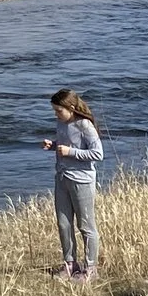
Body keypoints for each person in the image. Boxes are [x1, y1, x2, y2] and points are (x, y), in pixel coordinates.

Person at [45, 89, 105, 278]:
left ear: (71, 108)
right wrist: (53, 145)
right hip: (62, 177)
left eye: (58, 111)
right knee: (64, 223)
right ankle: (70, 263)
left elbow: (98, 154)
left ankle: (91, 268)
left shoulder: (85, 125)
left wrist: (70, 152)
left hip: (82, 180)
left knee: (86, 225)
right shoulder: (61, 123)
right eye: (54, 111)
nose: (56, 114)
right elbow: (66, 144)